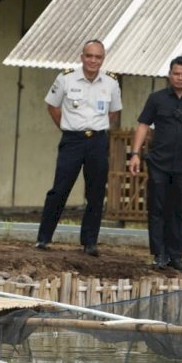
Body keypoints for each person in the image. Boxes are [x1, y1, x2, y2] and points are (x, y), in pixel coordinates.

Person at [34, 40, 122, 257]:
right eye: (89, 56)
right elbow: (52, 106)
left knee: (95, 192)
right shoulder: (66, 78)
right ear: (82, 57)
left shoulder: (111, 83)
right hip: (72, 140)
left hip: (98, 142)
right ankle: (44, 238)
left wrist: (97, 129)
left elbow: (113, 112)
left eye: (98, 57)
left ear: (103, 59)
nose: (93, 61)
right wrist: (67, 127)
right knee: (60, 189)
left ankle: (89, 242)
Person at [130, 56, 182, 276]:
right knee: (157, 208)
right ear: (169, 74)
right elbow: (143, 125)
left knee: (179, 210)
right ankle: (159, 254)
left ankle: (176, 256)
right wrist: (135, 154)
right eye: (176, 73)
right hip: (159, 163)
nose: (180, 78)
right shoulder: (156, 99)